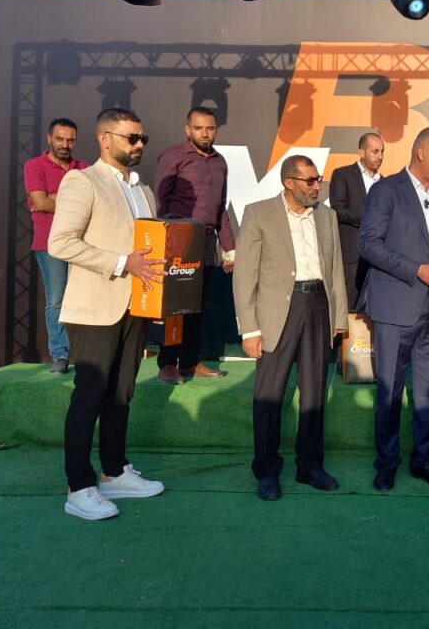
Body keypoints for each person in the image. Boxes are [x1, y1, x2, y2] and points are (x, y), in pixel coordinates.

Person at [48, 108, 165, 521]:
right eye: (132, 138)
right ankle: (78, 487)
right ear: (105, 138)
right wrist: (120, 263)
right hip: (95, 307)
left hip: (136, 305)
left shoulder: (143, 189)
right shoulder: (82, 181)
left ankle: (114, 472)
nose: (139, 144)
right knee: (90, 397)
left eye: (142, 138)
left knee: (121, 393)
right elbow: (61, 242)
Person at [233, 155, 348, 501]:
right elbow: (244, 275)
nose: (317, 186)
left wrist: (339, 319)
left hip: (319, 306)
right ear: (289, 183)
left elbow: (335, 270)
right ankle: (267, 470)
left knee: (314, 392)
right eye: (310, 180)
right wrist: (249, 329)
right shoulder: (258, 213)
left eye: (318, 179)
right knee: (269, 395)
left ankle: (310, 466)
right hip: (276, 312)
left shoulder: (327, 216)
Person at [358, 127, 429, 492]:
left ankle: (423, 460)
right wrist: (415, 269)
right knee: (390, 389)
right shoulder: (386, 190)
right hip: (397, 304)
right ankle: (386, 463)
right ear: (421, 153)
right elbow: (368, 244)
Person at [153, 106, 233, 384]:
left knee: (198, 306)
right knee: (175, 306)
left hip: (207, 241)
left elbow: (220, 208)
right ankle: (167, 363)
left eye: (210, 128)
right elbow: (160, 202)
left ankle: (189, 362)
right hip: (178, 239)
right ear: (188, 130)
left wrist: (230, 248)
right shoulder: (173, 156)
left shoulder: (220, 162)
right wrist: (166, 243)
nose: (205, 134)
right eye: (198, 128)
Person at [24, 118, 89, 374]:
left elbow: (91, 202)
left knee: (84, 298)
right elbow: (40, 202)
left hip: (82, 243)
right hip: (48, 244)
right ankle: (60, 355)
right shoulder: (34, 166)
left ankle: (86, 354)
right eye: (60, 139)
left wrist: (53, 197)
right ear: (49, 138)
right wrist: (72, 200)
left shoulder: (84, 168)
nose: (65, 144)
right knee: (56, 300)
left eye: (70, 140)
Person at [329, 132, 385, 310]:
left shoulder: (386, 183)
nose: (380, 156)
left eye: (382, 151)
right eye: (375, 151)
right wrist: (369, 219)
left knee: (375, 306)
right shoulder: (343, 174)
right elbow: (337, 209)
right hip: (352, 255)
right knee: (348, 306)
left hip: (379, 256)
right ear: (361, 152)